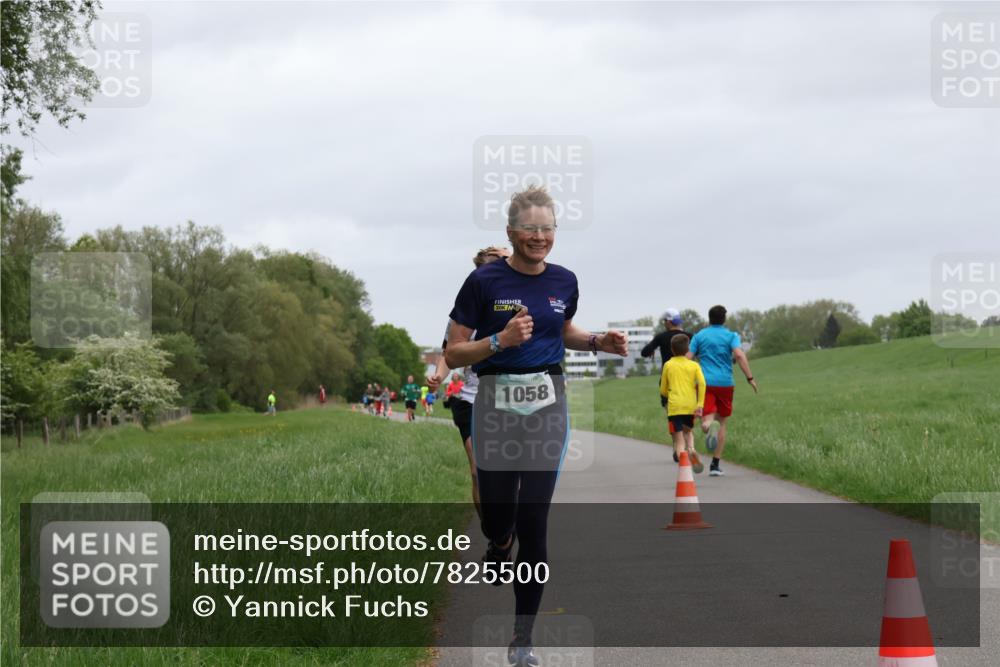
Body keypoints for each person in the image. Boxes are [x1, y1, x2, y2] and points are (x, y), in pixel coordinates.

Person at [445, 185, 627, 666]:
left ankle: (522, 639)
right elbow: (453, 352)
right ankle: (498, 540)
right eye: (529, 228)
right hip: (494, 406)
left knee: (535, 522)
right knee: (499, 516)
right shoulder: (483, 282)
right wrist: (499, 341)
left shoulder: (564, 280)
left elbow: (563, 329)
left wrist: (597, 341)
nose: (539, 236)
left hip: (548, 404)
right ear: (511, 232)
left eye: (547, 228)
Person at [428, 245, 512, 522]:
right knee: (478, 471)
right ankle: (493, 534)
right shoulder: (462, 314)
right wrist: (439, 376)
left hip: (509, 400)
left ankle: (508, 529)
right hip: (469, 400)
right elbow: (448, 353)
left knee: (509, 475)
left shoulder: (515, 310)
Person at [687, 304, 759, 477]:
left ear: (709, 318)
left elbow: (688, 358)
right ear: (724, 319)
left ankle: (707, 425)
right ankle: (715, 465)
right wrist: (750, 378)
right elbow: (740, 355)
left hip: (704, 382)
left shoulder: (699, 336)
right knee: (723, 423)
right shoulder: (731, 336)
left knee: (707, 418)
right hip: (725, 383)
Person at [641, 308, 693, 462]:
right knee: (687, 417)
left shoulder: (661, 337)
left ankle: (678, 447)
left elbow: (645, 352)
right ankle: (688, 447)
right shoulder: (690, 337)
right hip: (688, 383)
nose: (664, 324)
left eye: (664, 321)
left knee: (673, 417)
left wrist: (653, 350)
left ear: (669, 322)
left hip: (669, 383)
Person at [658, 334, 706, 471]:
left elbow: (663, 389)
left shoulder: (668, 365)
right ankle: (691, 449)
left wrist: (667, 394)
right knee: (688, 433)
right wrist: (700, 404)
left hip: (674, 408)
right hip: (690, 406)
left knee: (679, 440)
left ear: (672, 349)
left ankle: (684, 468)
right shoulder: (694, 365)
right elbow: (702, 383)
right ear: (688, 349)